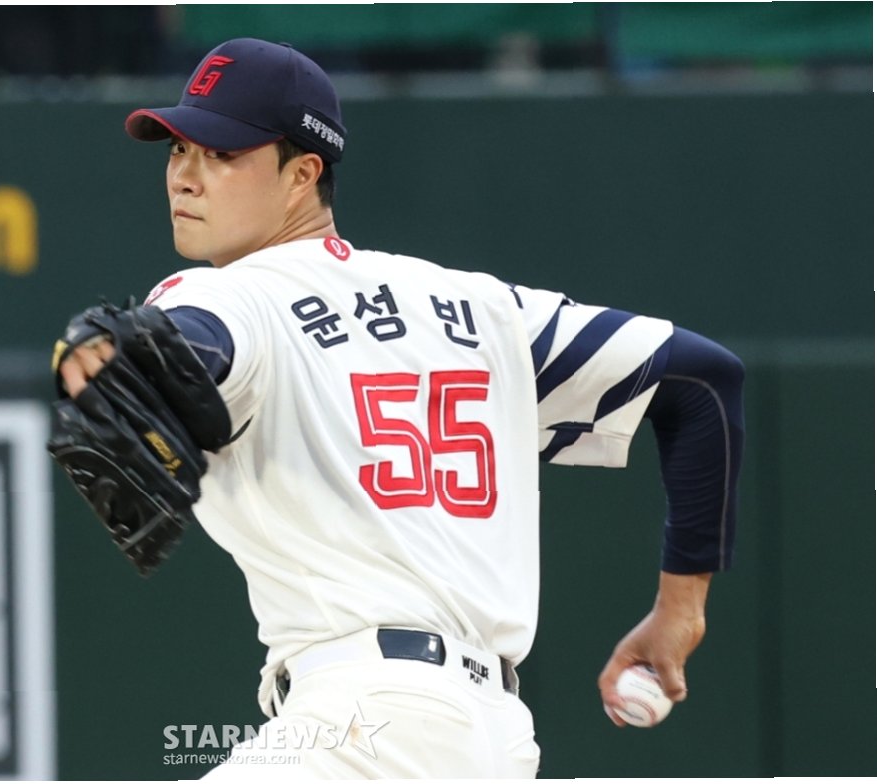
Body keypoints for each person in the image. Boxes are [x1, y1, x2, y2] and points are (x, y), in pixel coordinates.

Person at [57, 37, 744, 778]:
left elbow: (197, 342)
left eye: (221, 154)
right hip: (495, 740)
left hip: (364, 724)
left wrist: (119, 358)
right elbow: (702, 383)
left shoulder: (226, 295)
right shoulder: (486, 309)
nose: (185, 177)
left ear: (303, 173)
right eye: (178, 150)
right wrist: (680, 612)